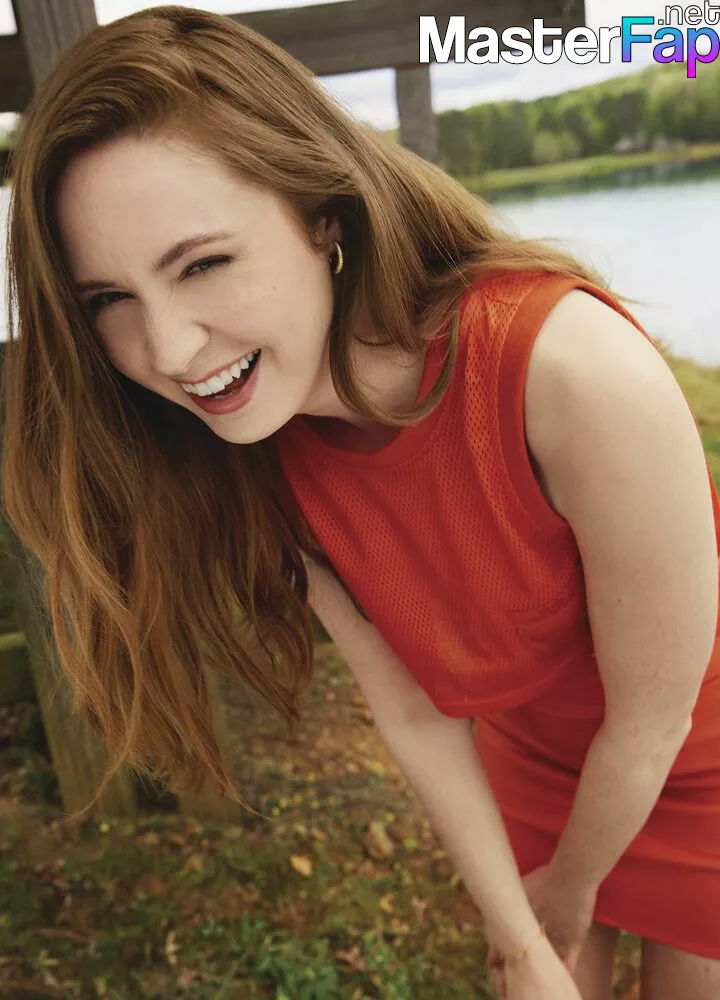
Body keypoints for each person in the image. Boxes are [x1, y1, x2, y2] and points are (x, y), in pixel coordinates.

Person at [1, 6, 718, 1000]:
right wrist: (517, 936)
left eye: (203, 263)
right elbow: (415, 715)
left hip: (695, 758)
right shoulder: (260, 443)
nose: (167, 350)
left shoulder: (573, 373)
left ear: (322, 218)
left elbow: (651, 721)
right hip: (535, 760)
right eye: (109, 300)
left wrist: (567, 896)